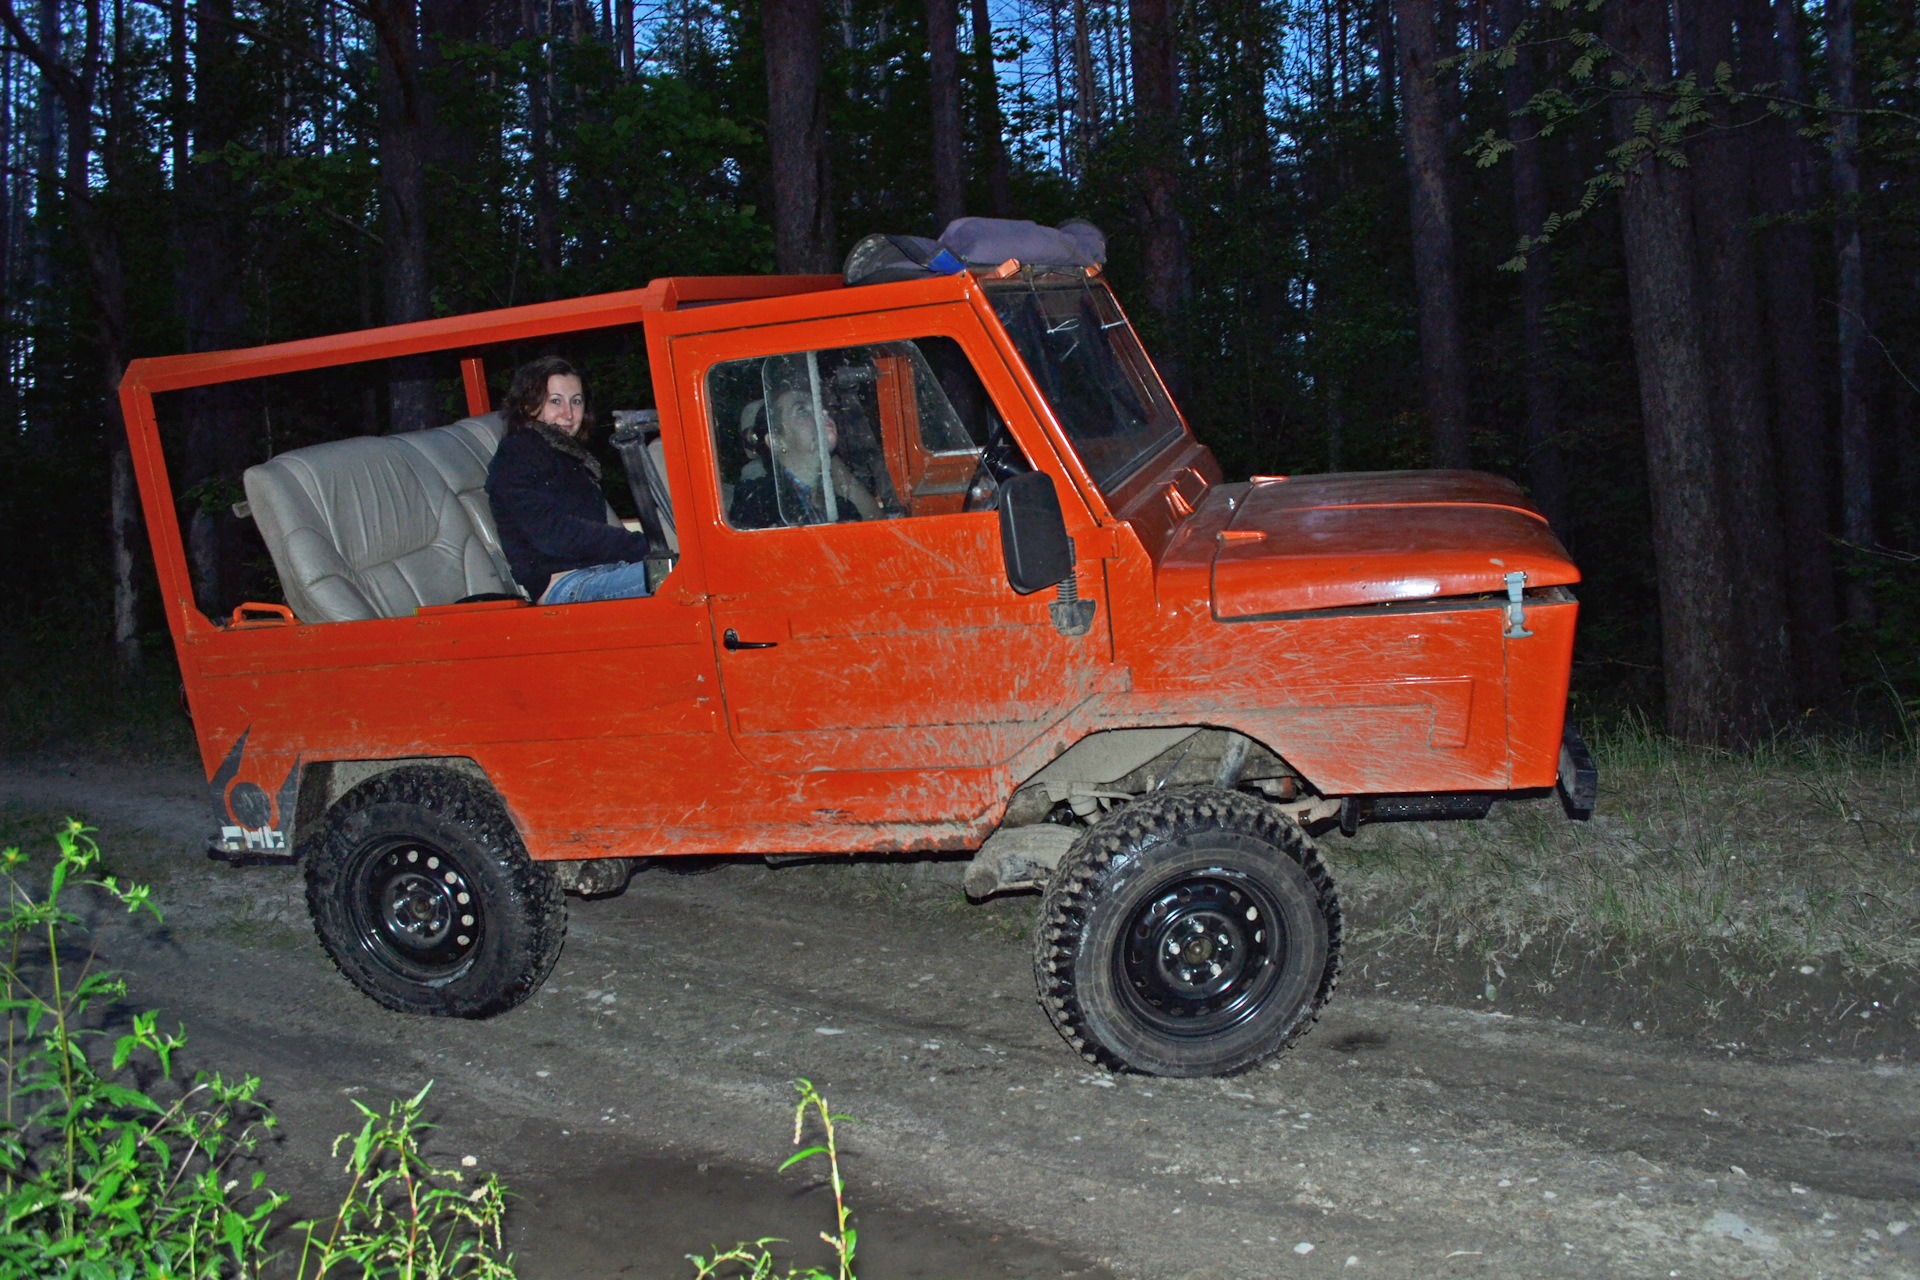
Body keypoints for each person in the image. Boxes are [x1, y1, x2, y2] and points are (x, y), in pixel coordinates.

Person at [485, 357, 655, 604]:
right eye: (555, 401)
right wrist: (642, 546)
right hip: (566, 587)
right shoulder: (520, 452)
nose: (568, 413)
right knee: (690, 576)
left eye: (576, 401)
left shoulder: (564, 454)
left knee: (692, 570)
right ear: (529, 405)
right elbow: (555, 535)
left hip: (600, 572)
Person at [729, 387, 883, 529]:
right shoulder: (757, 501)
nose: (824, 412)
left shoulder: (844, 508)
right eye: (802, 410)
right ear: (777, 441)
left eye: (820, 406)